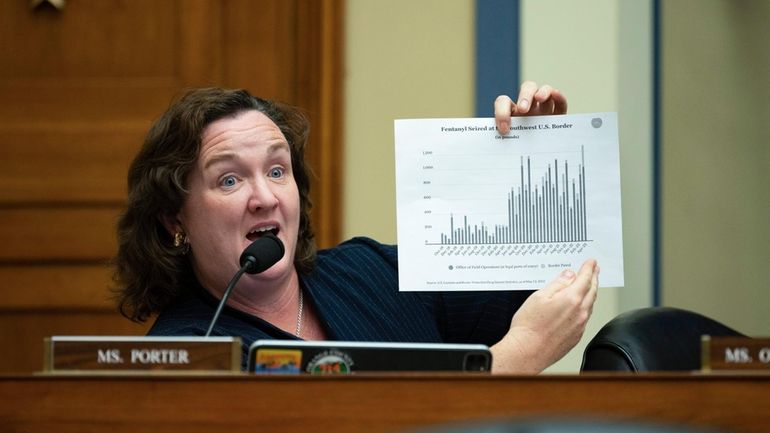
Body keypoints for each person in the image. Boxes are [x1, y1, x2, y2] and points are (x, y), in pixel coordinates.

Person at [113, 82, 598, 373]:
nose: (264, 197)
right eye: (230, 178)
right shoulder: (187, 355)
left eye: (278, 170)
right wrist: (513, 362)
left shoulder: (369, 271)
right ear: (175, 217)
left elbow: (530, 293)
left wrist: (536, 155)